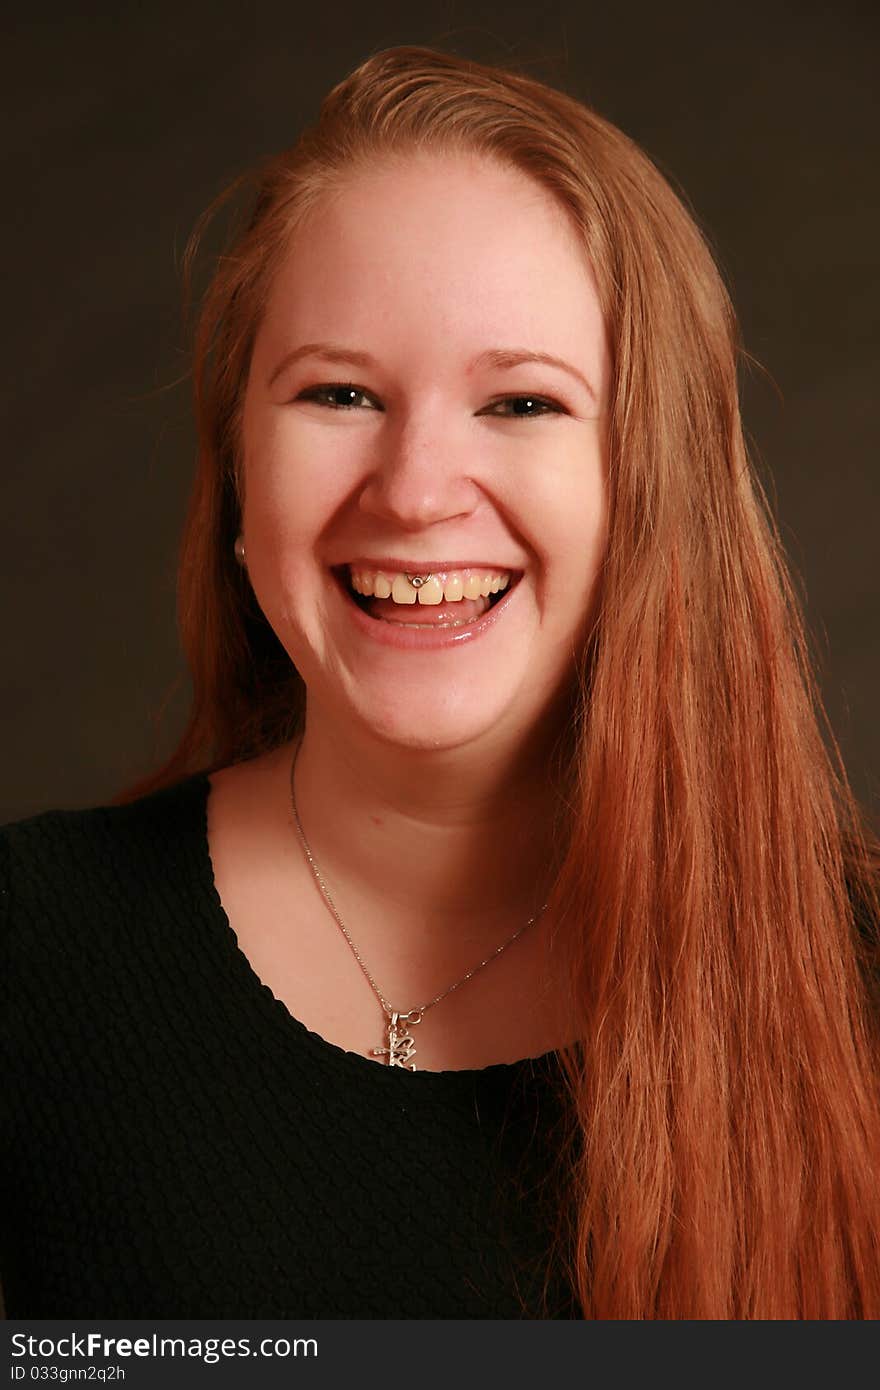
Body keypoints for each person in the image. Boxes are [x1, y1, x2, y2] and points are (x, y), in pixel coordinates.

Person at [2, 44, 879, 1321]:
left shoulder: (857, 992)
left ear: (654, 488)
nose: (414, 489)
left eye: (521, 403)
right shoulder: (31, 954)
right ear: (240, 477)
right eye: (340, 391)